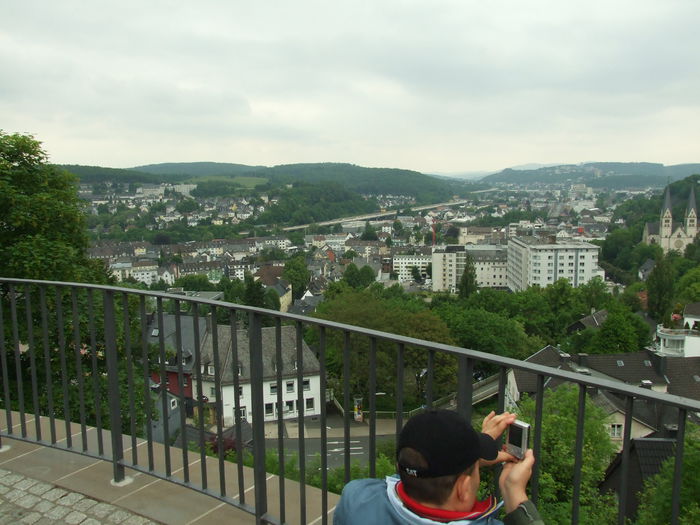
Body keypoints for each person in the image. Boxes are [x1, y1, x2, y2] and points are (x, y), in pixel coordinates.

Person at [333, 409, 544, 524]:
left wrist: (468, 455)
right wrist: (513, 493)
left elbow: (416, 472)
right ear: (462, 488)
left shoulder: (356, 498)